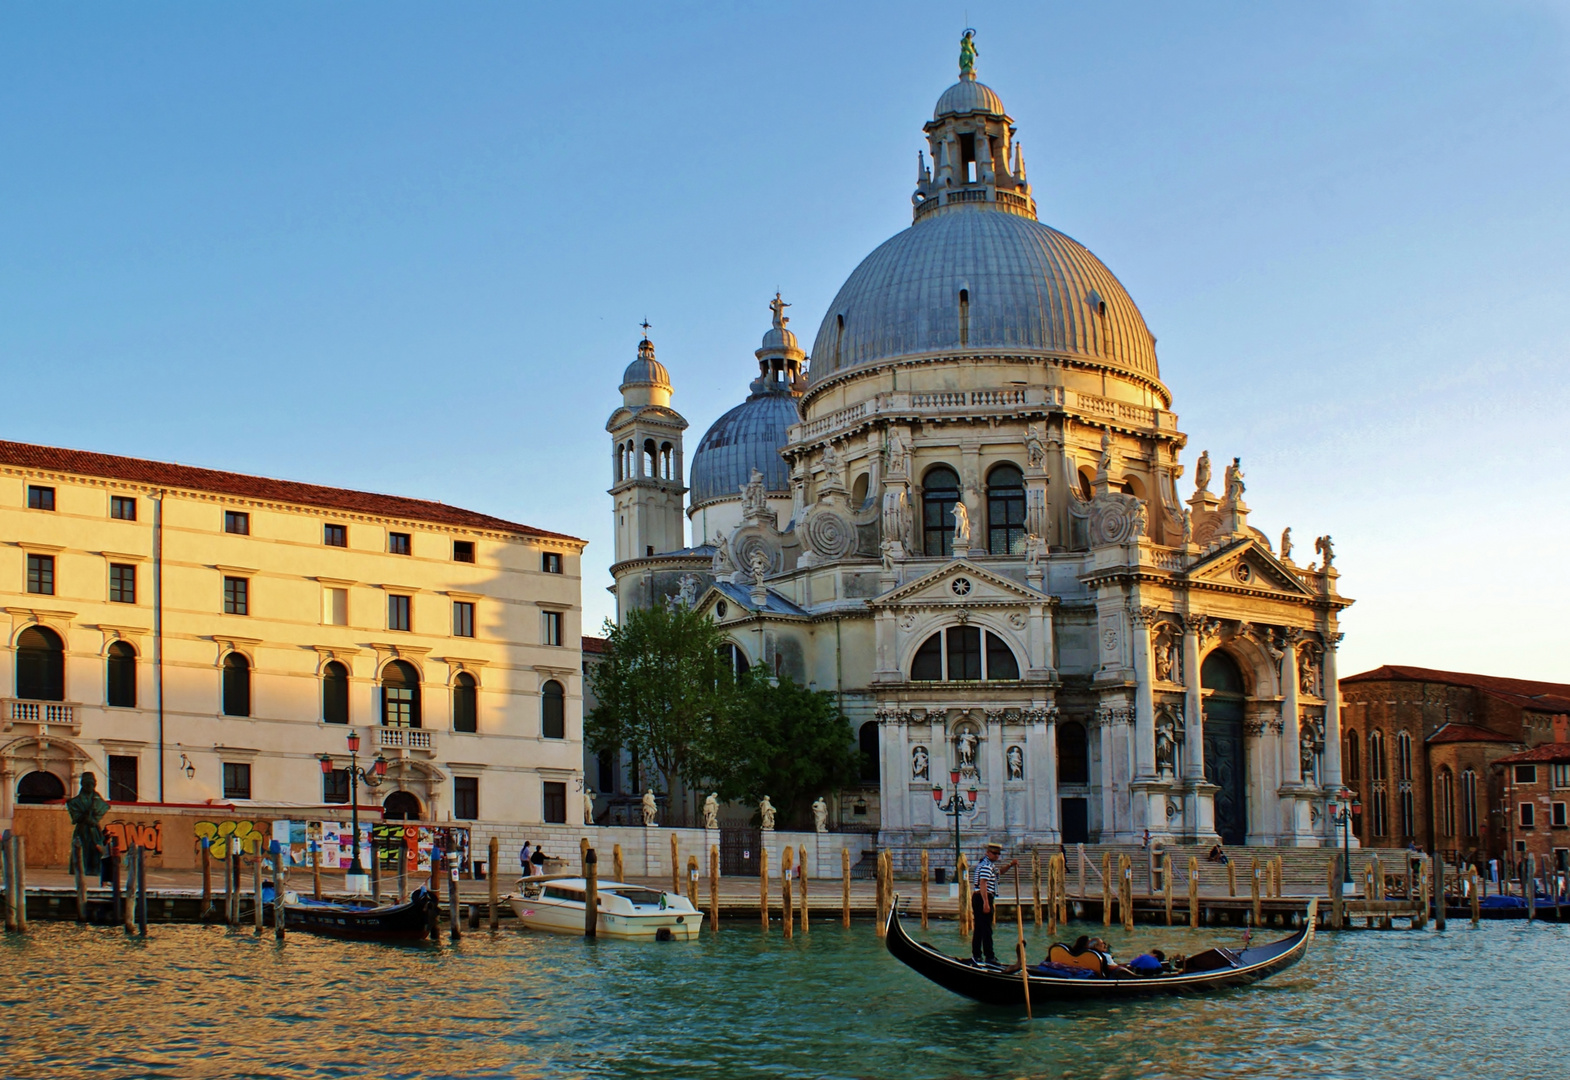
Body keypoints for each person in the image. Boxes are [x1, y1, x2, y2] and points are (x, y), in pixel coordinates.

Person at [970, 841, 1018, 965]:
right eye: (994, 853)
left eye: (998, 854)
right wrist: (986, 903)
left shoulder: (988, 864)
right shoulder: (986, 865)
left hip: (981, 897)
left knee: (981, 928)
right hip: (982, 898)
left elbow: (999, 873)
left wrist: (1010, 865)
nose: (997, 856)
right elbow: (983, 883)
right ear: (988, 852)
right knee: (985, 929)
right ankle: (989, 957)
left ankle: (978, 955)